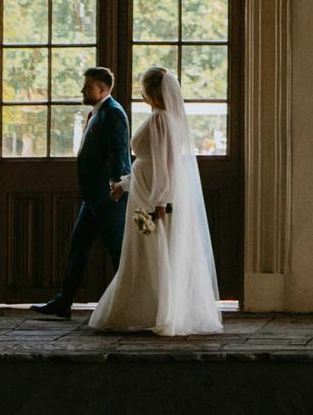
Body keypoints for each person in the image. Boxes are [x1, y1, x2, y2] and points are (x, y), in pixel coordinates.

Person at [89, 67, 224, 337]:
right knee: (143, 252)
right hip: (144, 191)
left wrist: (160, 201)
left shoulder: (161, 120)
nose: (140, 92)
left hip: (152, 198)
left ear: (151, 91)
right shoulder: (162, 118)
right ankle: (149, 308)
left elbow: (166, 163)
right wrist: (125, 184)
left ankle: (152, 309)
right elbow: (148, 162)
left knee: (150, 251)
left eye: (142, 87)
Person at [33, 66, 128, 317]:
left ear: (102, 89)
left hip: (108, 197)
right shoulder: (96, 113)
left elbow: (120, 153)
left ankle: (128, 304)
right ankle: (64, 303)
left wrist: (118, 186)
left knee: (118, 251)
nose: (82, 90)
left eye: (87, 86)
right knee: (78, 247)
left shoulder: (113, 113)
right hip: (92, 198)